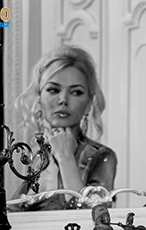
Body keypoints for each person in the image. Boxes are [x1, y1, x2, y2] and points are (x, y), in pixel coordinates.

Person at [12, 45, 117, 210]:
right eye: (53, 90)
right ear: (39, 98)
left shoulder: (101, 156)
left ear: (89, 104)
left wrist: (65, 157)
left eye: (76, 92)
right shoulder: (38, 156)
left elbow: (94, 218)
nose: (63, 100)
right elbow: (13, 213)